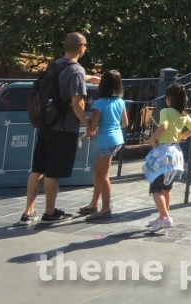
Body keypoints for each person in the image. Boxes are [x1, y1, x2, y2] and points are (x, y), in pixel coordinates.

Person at [21, 32, 96, 224]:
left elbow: (65, 78)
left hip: (46, 124)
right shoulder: (76, 70)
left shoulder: (56, 64)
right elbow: (77, 102)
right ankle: (50, 212)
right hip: (63, 129)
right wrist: (86, 121)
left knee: (38, 169)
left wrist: (89, 77)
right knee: (53, 172)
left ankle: (28, 212)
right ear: (81, 47)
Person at [143, 82, 191, 232]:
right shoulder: (183, 115)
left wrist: (152, 139)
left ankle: (164, 218)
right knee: (167, 188)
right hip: (176, 154)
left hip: (163, 154)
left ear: (169, 98)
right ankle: (164, 215)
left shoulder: (166, 111)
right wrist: (181, 137)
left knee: (156, 189)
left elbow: (164, 127)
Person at [79, 70, 129, 221]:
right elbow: (125, 123)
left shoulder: (100, 103)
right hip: (117, 138)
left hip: (106, 141)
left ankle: (106, 208)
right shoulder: (120, 101)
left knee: (103, 174)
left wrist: (89, 130)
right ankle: (94, 204)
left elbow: (92, 127)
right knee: (97, 171)